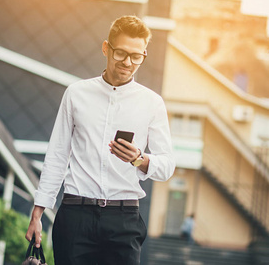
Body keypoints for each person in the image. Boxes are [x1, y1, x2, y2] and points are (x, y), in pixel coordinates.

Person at [25, 15, 176, 265]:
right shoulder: (76, 94)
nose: (128, 62)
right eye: (120, 53)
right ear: (106, 48)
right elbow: (58, 155)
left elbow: (167, 166)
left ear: (144, 55)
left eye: (136, 56)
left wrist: (139, 159)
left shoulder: (152, 103)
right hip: (76, 216)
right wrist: (38, 212)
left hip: (124, 219)